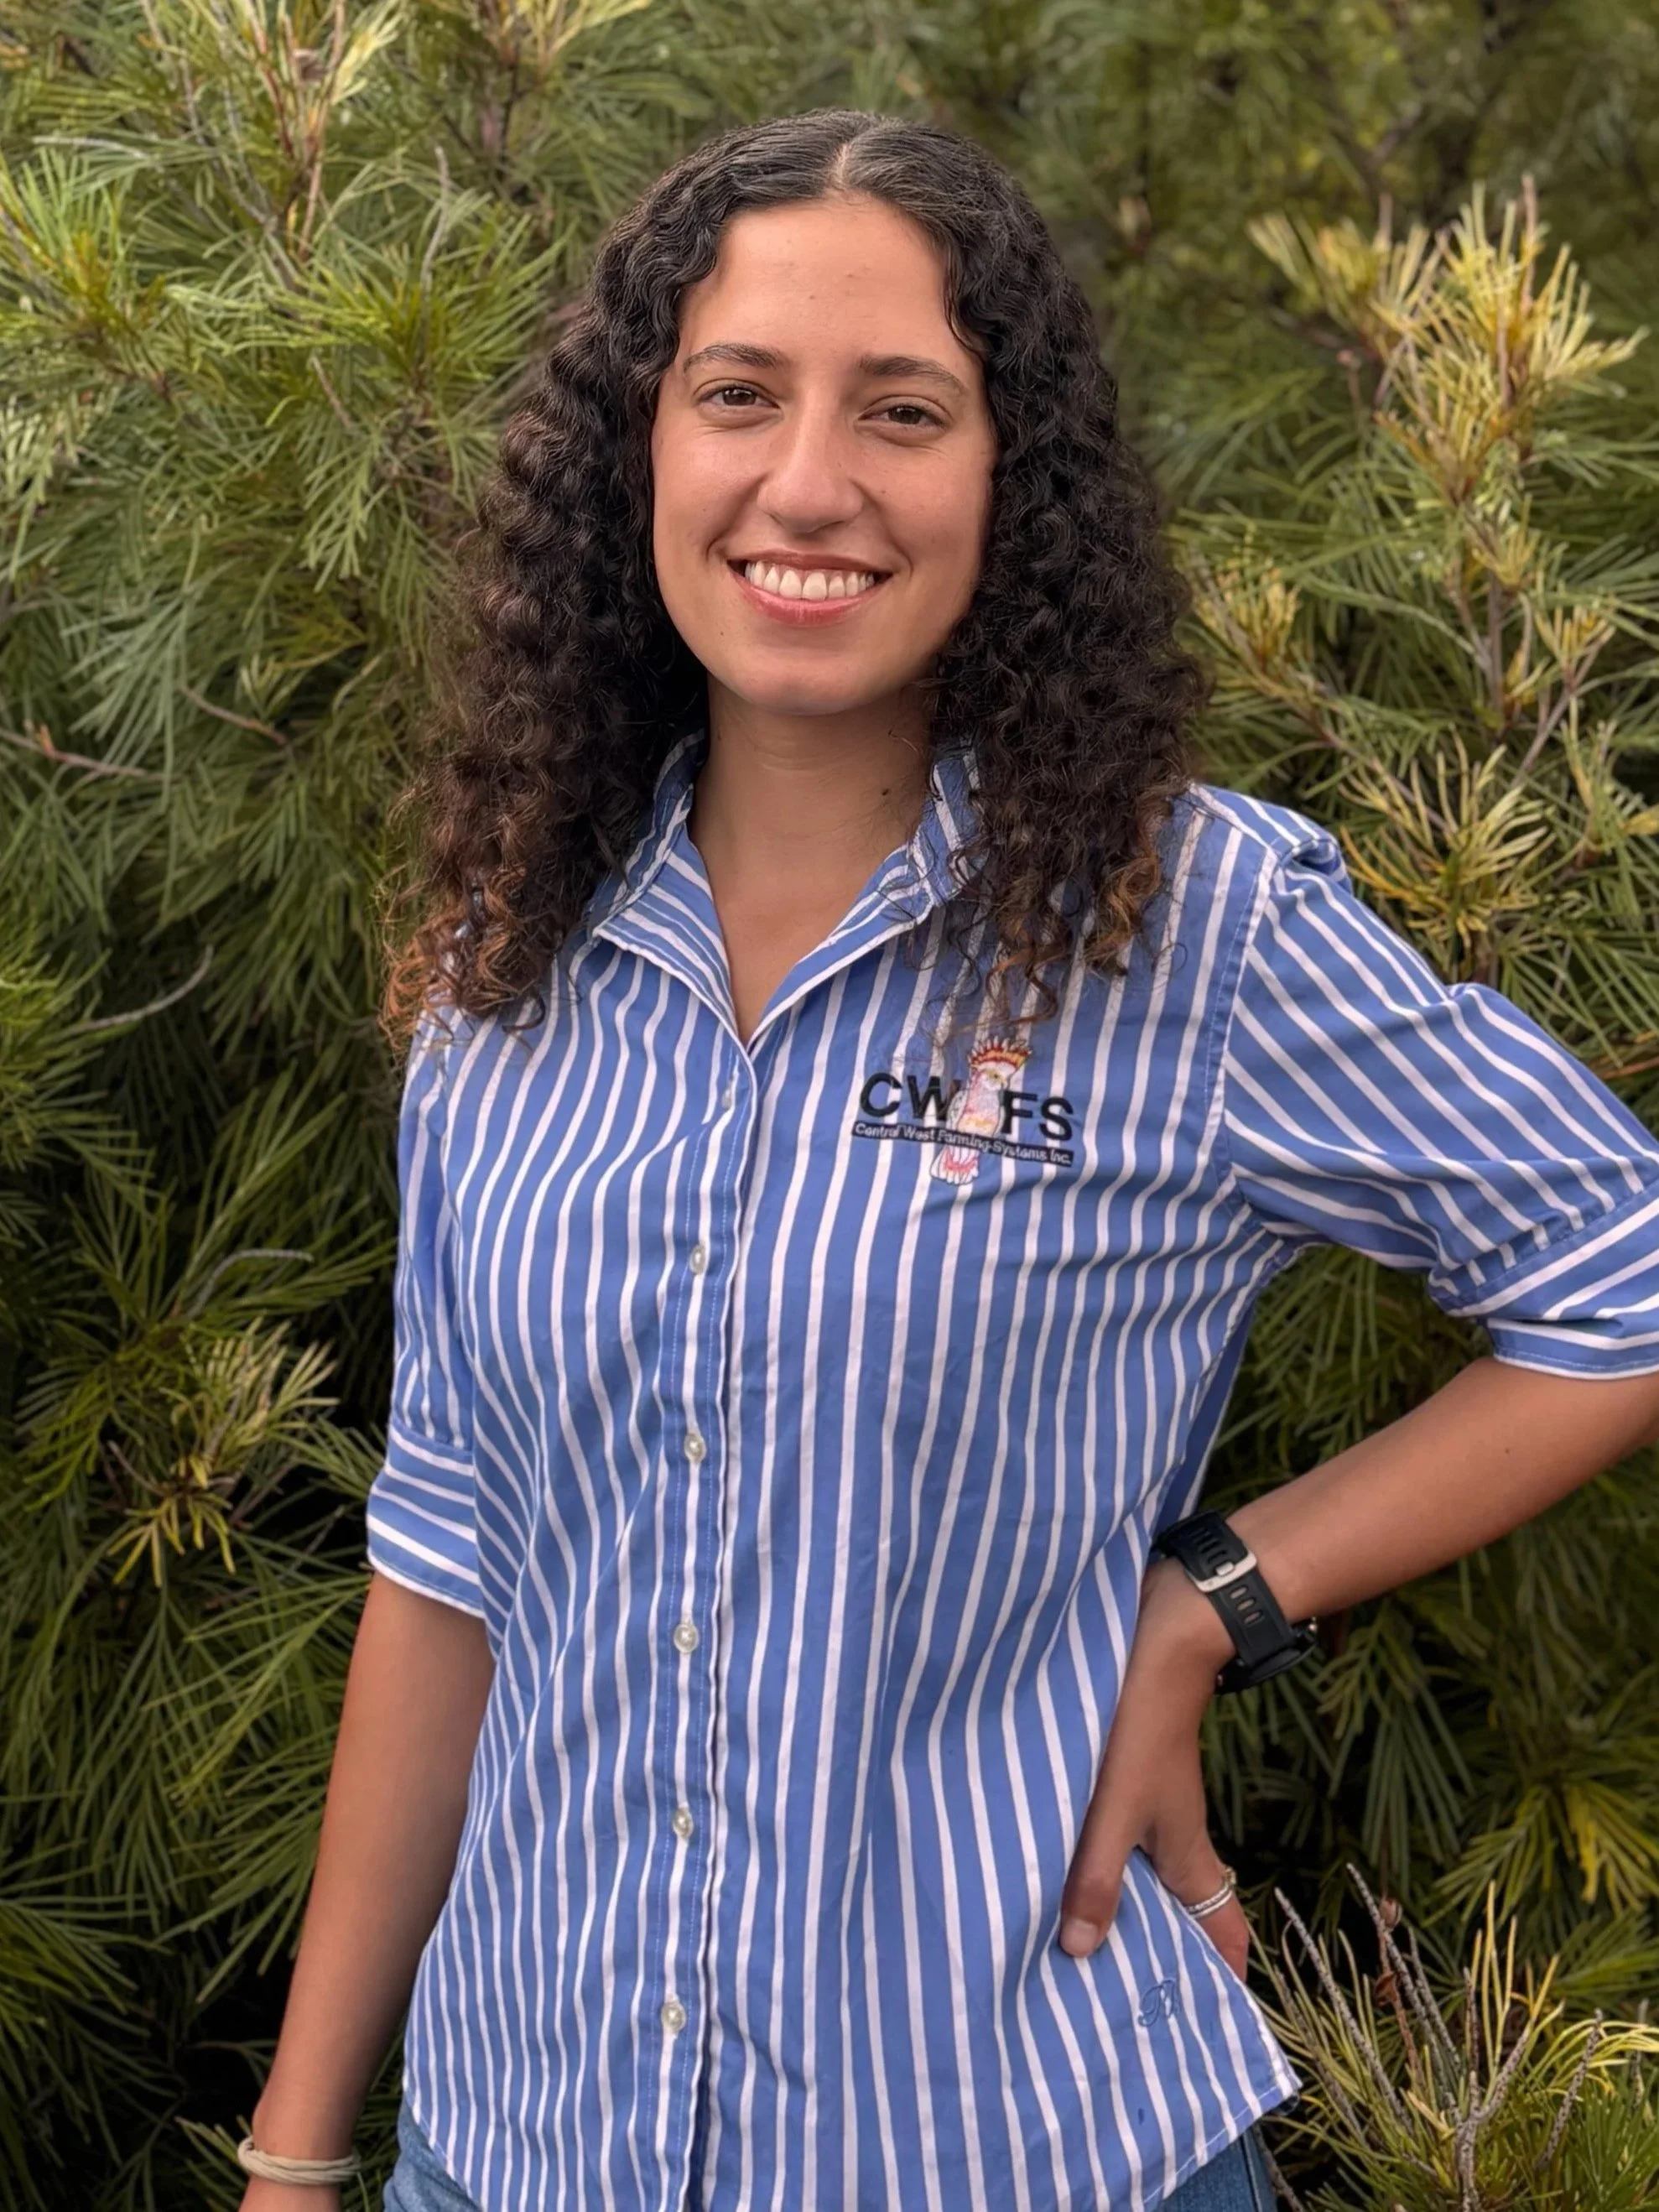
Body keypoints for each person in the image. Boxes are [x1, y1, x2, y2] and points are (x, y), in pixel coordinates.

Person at [235, 110, 1659, 2212]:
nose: (807, 482)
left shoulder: (1183, 930)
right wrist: (294, 2150)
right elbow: (449, 1562)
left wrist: (1214, 1604)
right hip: (513, 2151)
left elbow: (1619, 1275)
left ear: (1012, 479)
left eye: (901, 409)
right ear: (641, 446)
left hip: (1011, 2143)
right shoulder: (496, 956)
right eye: (737, 395)